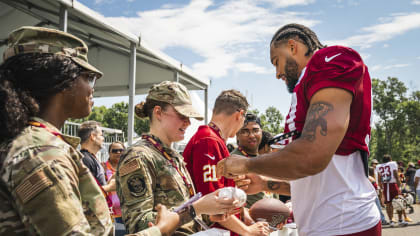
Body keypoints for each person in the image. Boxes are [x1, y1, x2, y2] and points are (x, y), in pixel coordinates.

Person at [217, 23, 381, 235]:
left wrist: (248, 164)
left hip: (344, 224)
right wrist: (267, 184)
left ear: (292, 47)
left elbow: (312, 156)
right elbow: (317, 176)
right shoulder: (309, 85)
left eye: (277, 62)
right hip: (326, 224)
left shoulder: (331, 59)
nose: (277, 73)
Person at [0, 26, 113, 235]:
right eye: (88, 77)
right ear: (64, 80)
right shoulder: (41, 153)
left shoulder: (26, 141)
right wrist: (160, 229)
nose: (92, 88)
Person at [116, 81, 255, 235]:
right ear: (158, 113)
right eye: (182, 115)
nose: (188, 122)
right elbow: (139, 226)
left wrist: (210, 214)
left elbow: (182, 211)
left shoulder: (172, 157)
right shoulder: (138, 156)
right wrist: (197, 208)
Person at [183, 90, 269, 236]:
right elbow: (214, 203)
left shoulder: (215, 140)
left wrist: (243, 215)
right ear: (239, 115)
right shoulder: (208, 141)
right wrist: (248, 231)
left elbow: (224, 192)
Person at [78, 120, 116, 193]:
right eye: (101, 135)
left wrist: (112, 179)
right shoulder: (85, 160)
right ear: (93, 137)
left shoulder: (90, 157)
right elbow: (86, 192)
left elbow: (98, 186)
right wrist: (109, 187)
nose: (103, 138)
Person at [376, 154, 411, 226]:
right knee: (399, 201)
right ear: (390, 159)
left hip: (385, 186)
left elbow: (379, 179)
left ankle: (391, 220)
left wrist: (381, 188)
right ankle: (400, 220)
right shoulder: (392, 164)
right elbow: (396, 175)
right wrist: (399, 186)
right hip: (393, 184)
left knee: (388, 204)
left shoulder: (379, 166)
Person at [106, 141, 126, 235]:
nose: (118, 153)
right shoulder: (103, 167)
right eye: (114, 151)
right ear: (109, 153)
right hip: (110, 214)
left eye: (121, 150)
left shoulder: (129, 167)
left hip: (128, 213)